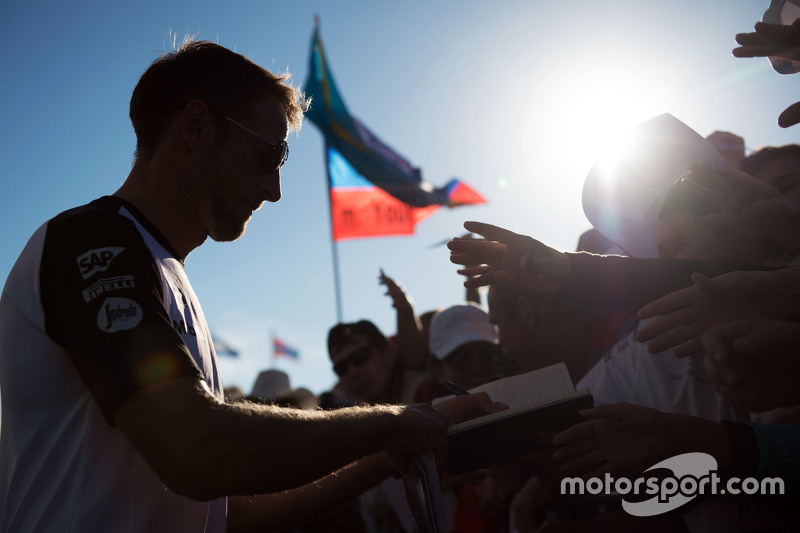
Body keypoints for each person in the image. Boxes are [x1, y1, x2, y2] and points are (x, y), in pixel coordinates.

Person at [0, 40, 499, 533]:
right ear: (197, 126)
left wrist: (393, 449)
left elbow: (232, 511)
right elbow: (199, 454)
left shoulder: (162, 268)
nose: (274, 190)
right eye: (269, 156)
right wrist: (396, 422)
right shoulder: (89, 239)